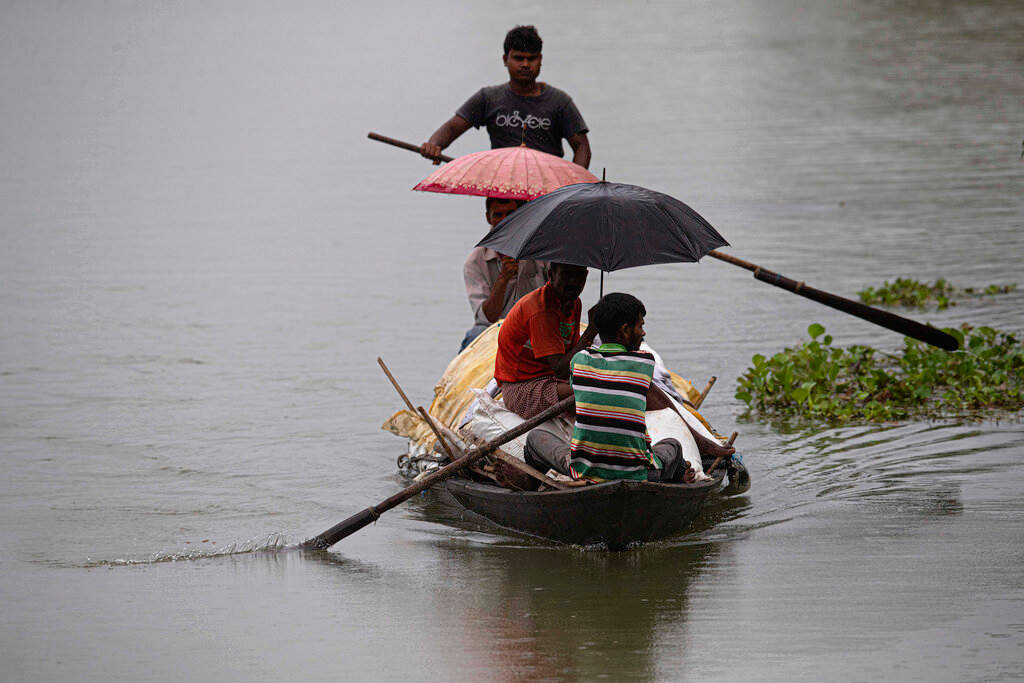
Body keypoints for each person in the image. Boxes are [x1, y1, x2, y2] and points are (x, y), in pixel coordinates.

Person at [524, 293, 735, 482]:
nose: (643, 333)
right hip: (639, 472)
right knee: (673, 445)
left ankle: (539, 481)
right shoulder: (645, 362)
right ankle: (679, 474)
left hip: (586, 471)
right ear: (625, 330)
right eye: (640, 326)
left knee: (534, 439)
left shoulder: (578, 361)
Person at [419, 25, 591, 168]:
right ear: (505, 59)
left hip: (545, 194)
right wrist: (434, 145)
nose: (525, 64)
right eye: (518, 58)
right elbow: (452, 128)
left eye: (531, 59)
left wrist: (572, 185)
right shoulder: (488, 98)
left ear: (540, 60)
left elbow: (582, 147)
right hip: (503, 193)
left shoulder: (559, 102)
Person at [494, 263, 598, 419]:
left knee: (604, 386)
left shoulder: (574, 302)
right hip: (521, 387)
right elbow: (560, 369)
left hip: (553, 379)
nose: (573, 282)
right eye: (566, 275)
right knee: (593, 394)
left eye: (579, 276)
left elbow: (573, 356)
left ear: (586, 276)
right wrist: (590, 332)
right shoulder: (540, 310)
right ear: (551, 275)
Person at [461, 197, 549, 351]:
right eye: (498, 215)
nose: (504, 221)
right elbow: (486, 318)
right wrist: (503, 279)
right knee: (473, 337)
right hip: (495, 330)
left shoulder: (541, 252)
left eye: (510, 214)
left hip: (537, 326)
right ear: (488, 217)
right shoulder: (475, 262)